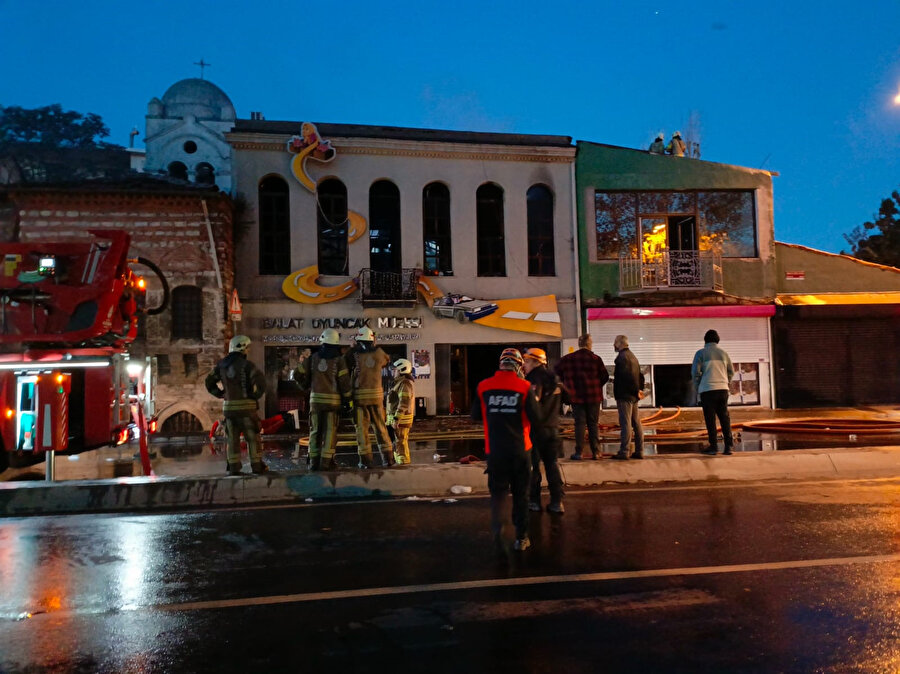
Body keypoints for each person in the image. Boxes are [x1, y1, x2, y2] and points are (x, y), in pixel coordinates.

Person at [472, 348, 540, 552]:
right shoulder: (525, 387)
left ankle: (498, 533)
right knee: (521, 495)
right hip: (520, 451)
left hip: (495, 452)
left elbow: (475, 415)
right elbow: (536, 419)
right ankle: (522, 537)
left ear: (500, 364)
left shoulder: (484, 386)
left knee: (498, 495)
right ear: (519, 366)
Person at [204, 335, 268, 476]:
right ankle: (257, 466)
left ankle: (233, 467)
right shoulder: (248, 366)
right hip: (247, 409)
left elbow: (209, 382)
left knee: (232, 439)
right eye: (247, 348)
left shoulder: (221, 366)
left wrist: (221, 394)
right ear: (242, 347)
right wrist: (254, 396)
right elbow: (261, 384)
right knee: (252, 437)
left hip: (229, 409)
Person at [291, 329, 352, 471]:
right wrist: (348, 400)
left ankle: (313, 462)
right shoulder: (340, 360)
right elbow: (345, 383)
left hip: (316, 402)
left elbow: (296, 374)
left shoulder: (313, 358)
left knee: (315, 431)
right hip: (333, 403)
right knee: (330, 431)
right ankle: (326, 462)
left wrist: (305, 386)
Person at [522, 348, 565, 514]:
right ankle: (557, 502)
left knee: (533, 467)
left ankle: (534, 501)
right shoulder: (554, 378)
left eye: (526, 361)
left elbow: (533, 405)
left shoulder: (532, 380)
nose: (524, 365)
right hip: (552, 429)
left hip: (535, 431)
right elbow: (566, 398)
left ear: (535, 361)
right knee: (552, 465)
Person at [553, 334, 609, 460]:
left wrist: (566, 382)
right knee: (593, 424)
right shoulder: (596, 359)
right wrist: (596, 385)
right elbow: (605, 376)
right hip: (593, 396)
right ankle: (596, 452)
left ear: (579, 344)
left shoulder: (567, 359)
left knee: (579, 424)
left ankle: (579, 452)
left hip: (576, 397)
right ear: (589, 344)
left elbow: (556, 370)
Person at [344, 326, 393, 468]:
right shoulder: (379, 353)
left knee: (362, 430)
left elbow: (345, 366)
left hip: (359, 399)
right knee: (380, 427)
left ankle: (365, 462)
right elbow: (386, 361)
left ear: (358, 339)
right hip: (377, 398)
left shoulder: (353, 353)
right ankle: (388, 459)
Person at [692, 329, 735, 456]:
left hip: (707, 390)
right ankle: (729, 447)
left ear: (705, 340)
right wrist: (725, 382)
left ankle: (714, 447)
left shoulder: (700, 353)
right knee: (724, 418)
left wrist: (698, 386)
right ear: (718, 340)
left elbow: (695, 372)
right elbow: (731, 372)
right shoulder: (724, 354)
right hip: (723, 390)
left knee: (710, 419)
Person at [611, 335, 645, 460]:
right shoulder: (633, 357)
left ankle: (624, 451)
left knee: (626, 423)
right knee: (636, 423)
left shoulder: (622, 358)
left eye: (615, 343)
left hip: (625, 395)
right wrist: (638, 390)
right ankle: (640, 450)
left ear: (620, 344)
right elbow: (640, 375)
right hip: (634, 395)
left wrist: (631, 390)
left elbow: (626, 376)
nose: (613, 345)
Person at [386, 358, 415, 464]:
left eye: (395, 370)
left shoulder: (404, 384)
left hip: (400, 421)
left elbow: (403, 403)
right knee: (397, 444)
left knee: (400, 444)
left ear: (401, 370)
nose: (393, 372)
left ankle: (403, 466)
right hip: (397, 420)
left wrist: (396, 418)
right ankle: (400, 463)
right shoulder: (399, 383)